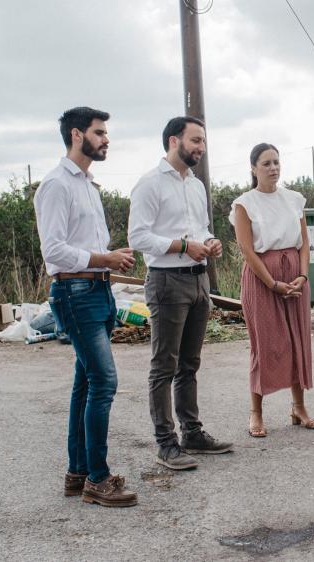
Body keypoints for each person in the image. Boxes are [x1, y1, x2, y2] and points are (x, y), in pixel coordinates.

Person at [34, 107, 137, 507]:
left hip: (97, 291)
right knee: (105, 383)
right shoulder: (56, 185)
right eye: (99, 132)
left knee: (86, 383)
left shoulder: (88, 186)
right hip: (74, 293)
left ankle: (78, 474)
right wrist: (103, 258)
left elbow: (82, 247)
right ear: (77, 135)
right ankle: (98, 478)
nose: (106, 139)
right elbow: (53, 251)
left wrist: (109, 259)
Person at [128, 116, 233, 471]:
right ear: (174, 141)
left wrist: (209, 242)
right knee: (164, 365)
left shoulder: (196, 185)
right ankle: (166, 443)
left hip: (199, 280)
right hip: (167, 282)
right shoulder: (149, 184)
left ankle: (192, 433)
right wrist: (183, 245)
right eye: (196, 140)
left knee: (190, 363)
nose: (201, 148)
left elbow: (200, 228)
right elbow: (138, 238)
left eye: (203, 141)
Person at [230, 143, 314, 437]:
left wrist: (303, 276)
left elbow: (304, 243)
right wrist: (272, 283)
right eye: (266, 163)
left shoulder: (294, 199)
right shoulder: (245, 203)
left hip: (294, 276)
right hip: (262, 279)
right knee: (265, 344)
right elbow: (246, 248)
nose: (273, 168)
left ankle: (299, 407)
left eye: (276, 162)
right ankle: (256, 413)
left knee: (297, 341)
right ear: (254, 168)